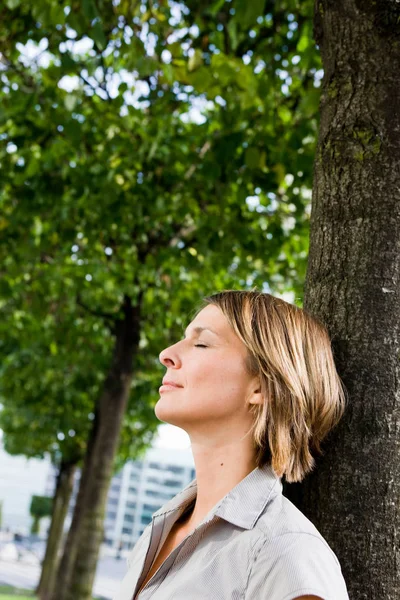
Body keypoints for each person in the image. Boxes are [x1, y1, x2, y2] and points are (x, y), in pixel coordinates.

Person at [113, 290, 349, 600]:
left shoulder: (284, 553)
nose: (167, 354)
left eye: (201, 343)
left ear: (262, 386)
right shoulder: (158, 531)